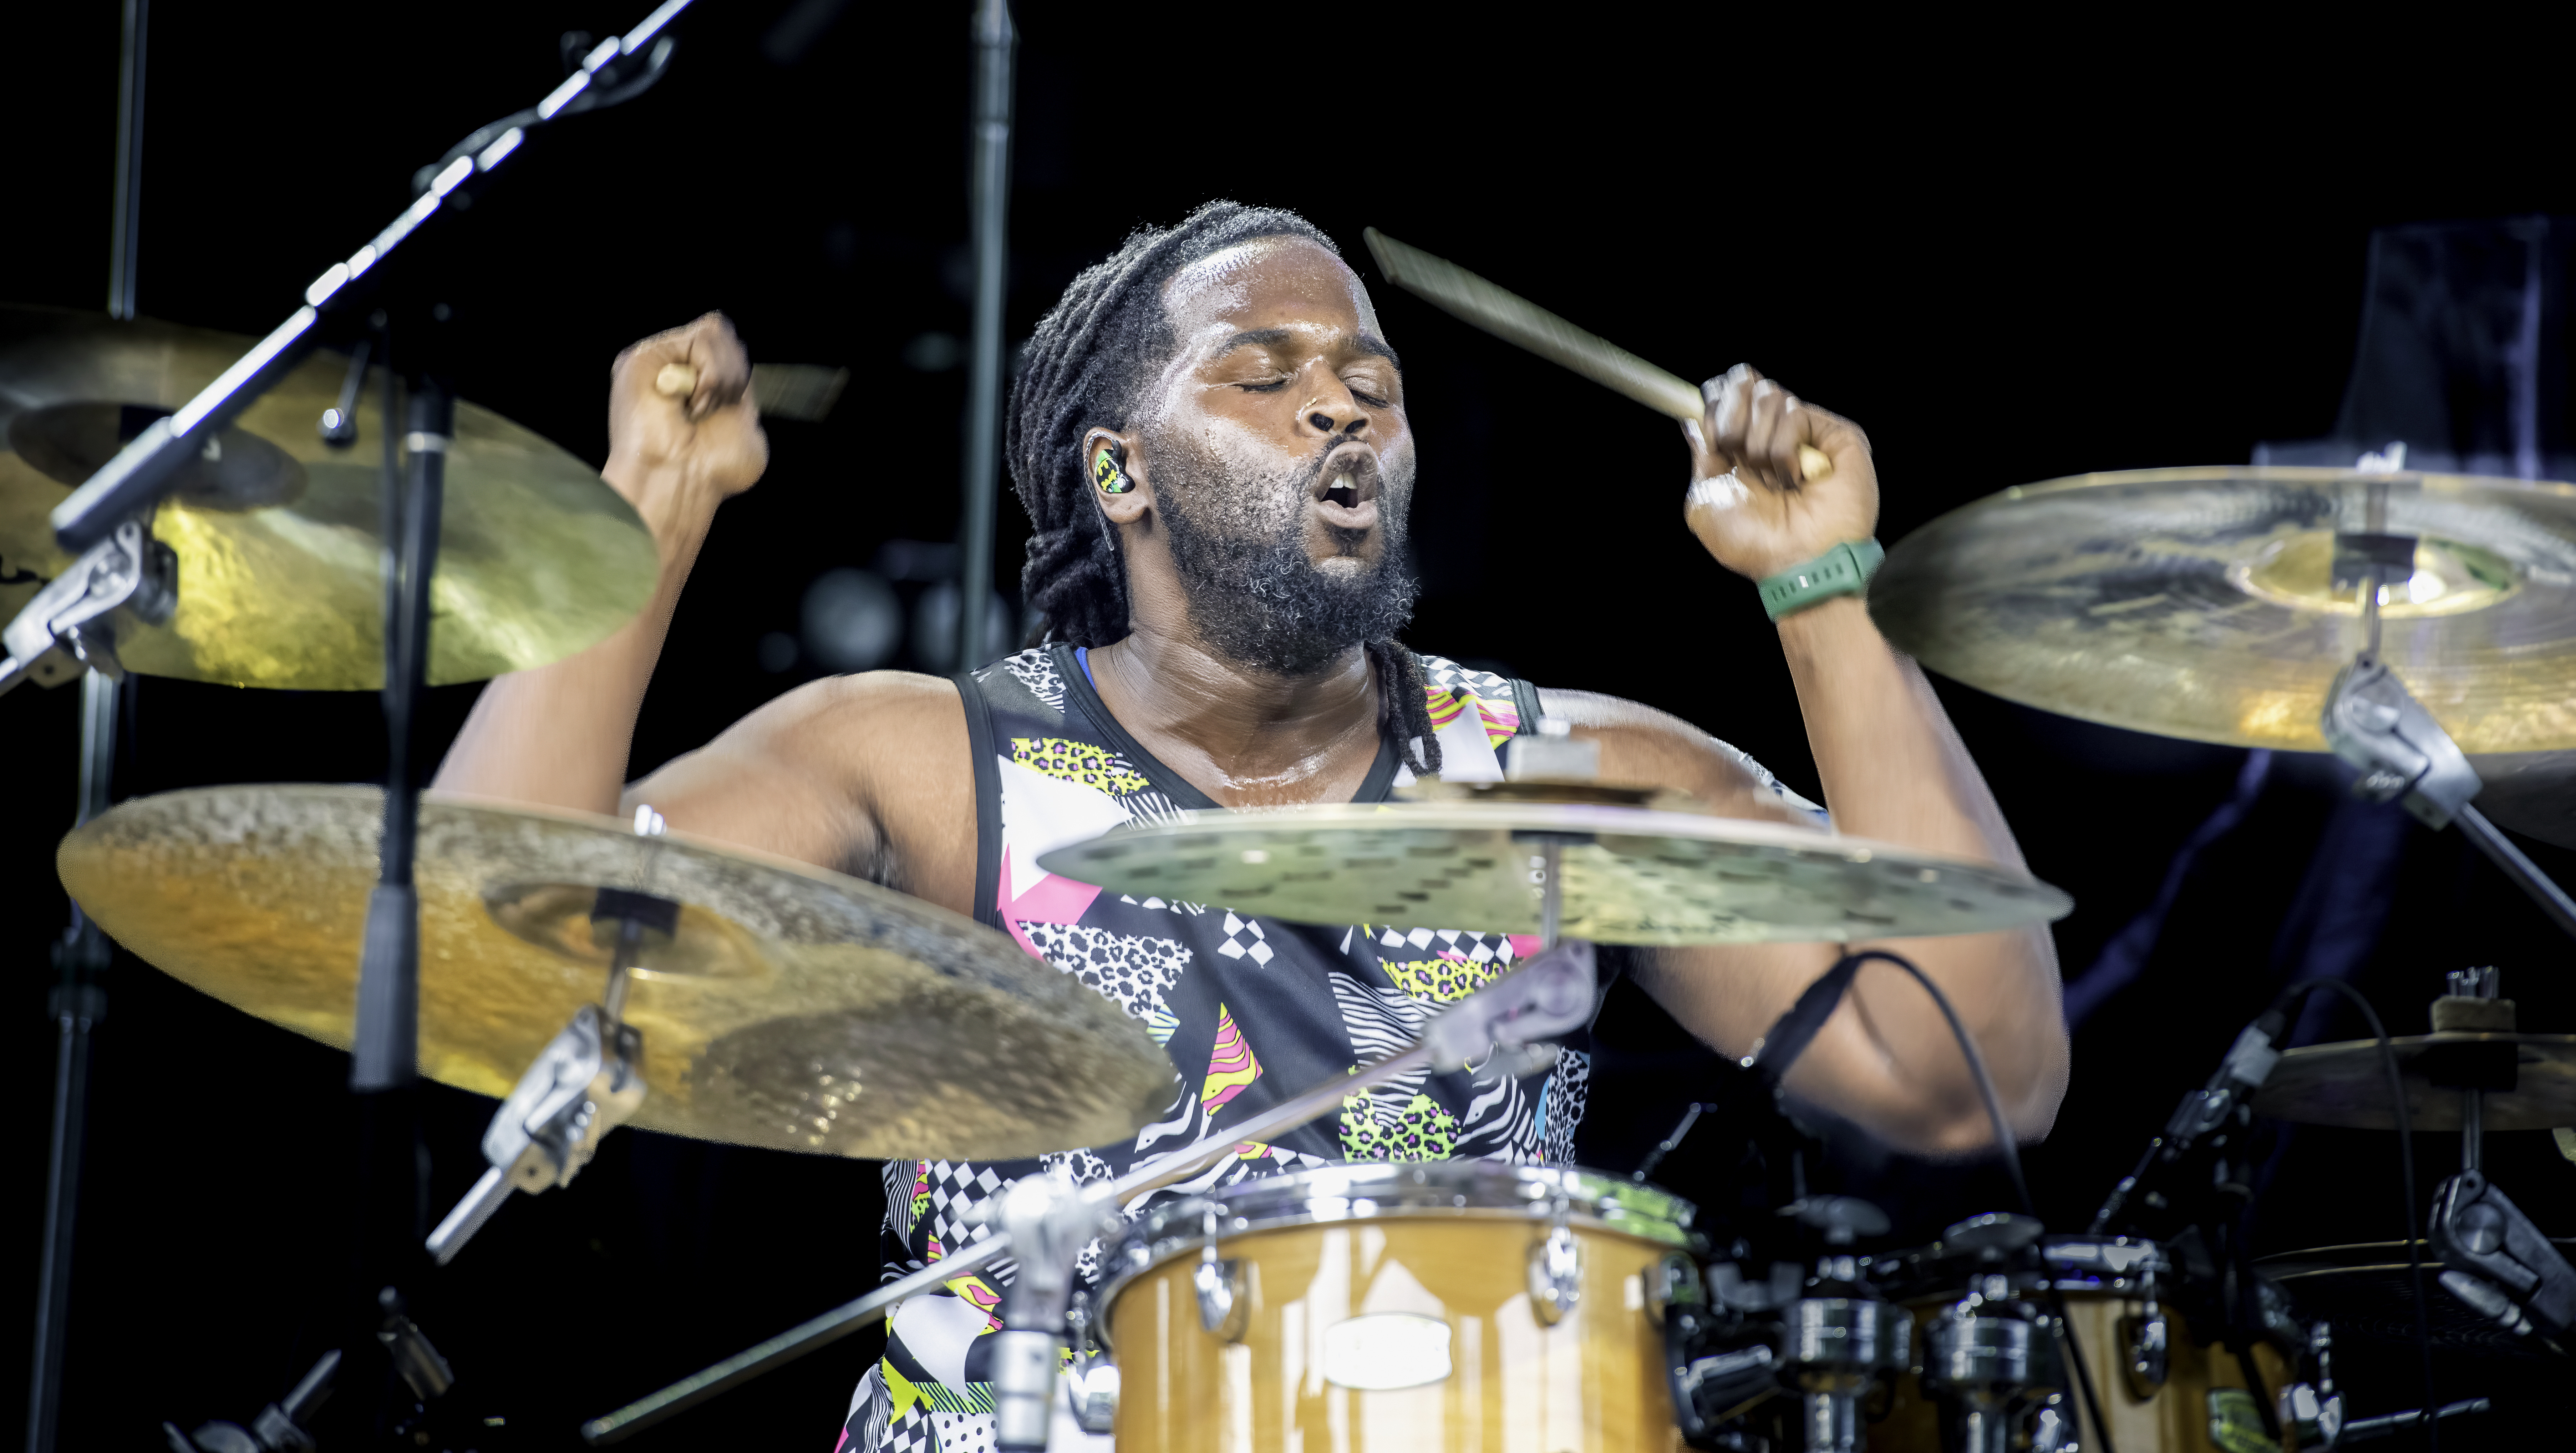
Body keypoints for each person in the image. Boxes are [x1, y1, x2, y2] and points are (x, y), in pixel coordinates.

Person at [433, 201, 2067, 1451]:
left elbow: (1974, 1083)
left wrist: (1820, 585)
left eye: (1372, 383)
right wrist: (649, 505)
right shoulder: (927, 760)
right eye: (1265, 377)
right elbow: (481, 946)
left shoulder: (1565, 772)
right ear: (1119, 473)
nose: (1341, 412)